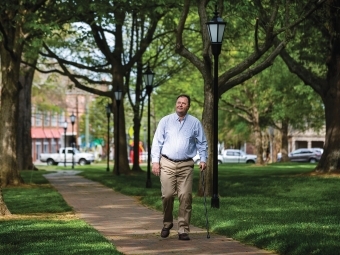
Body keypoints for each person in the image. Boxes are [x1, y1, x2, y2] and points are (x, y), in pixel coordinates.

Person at [151, 94, 207, 241]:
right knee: (167, 195)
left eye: (184, 103)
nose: (180, 105)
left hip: (186, 164)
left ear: (188, 106)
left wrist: (203, 159)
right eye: (178, 102)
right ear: (176, 104)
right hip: (167, 163)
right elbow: (157, 142)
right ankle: (167, 223)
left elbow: (202, 143)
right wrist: (155, 162)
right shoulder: (165, 121)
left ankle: (183, 229)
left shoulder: (194, 123)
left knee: (185, 196)